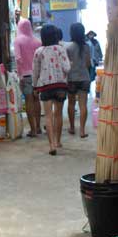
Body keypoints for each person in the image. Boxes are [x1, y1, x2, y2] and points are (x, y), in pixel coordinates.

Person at [32, 25, 70, 155]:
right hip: (60, 86)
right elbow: (67, 68)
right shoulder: (61, 49)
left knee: (48, 116)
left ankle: (52, 145)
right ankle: (58, 141)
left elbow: (35, 71)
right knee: (58, 114)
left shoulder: (39, 51)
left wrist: (34, 86)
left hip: (45, 86)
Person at [14, 18, 42, 137]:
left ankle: (33, 130)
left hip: (25, 75)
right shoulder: (37, 42)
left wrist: (19, 75)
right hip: (37, 75)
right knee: (37, 100)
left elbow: (18, 59)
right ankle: (38, 127)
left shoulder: (18, 41)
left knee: (29, 101)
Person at [66, 22, 92, 138]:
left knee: (71, 104)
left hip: (72, 78)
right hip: (84, 78)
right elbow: (88, 64)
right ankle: (82, 131)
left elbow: (67, 65)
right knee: (83, 105)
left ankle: (72, 127)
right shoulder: (87, 47)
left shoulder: (69, 48)